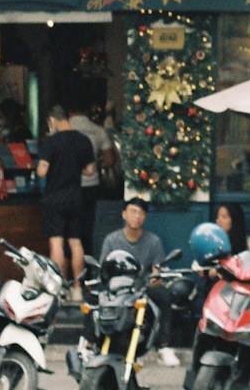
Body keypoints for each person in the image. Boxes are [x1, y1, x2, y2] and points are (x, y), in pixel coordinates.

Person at [101, 197, 176, 366]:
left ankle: (163, 346)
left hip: (143, 288)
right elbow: (104, 268)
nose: (137, 216)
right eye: (133, 212)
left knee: (164, 295)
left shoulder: (153, 241)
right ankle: (91, 345)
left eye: (141, 213)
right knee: (93, 297)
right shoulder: (112, 240)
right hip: (117, 289)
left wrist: (155, 278)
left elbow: (157, 268)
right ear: (124, 214)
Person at [35, 105, 91, 280]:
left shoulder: (51, 142)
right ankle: (77, 289)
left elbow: (42, 171)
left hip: (54, 198)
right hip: (76, 197)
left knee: (57, 243)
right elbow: (90, 170)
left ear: (52, 120)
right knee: (76, 243)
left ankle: (59, 287)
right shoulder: (83, 140)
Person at [69, 98, 113, 292]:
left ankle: (69, 279)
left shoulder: (63, 129)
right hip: (91, 186)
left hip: (68, 186)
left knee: (69, 232)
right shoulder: (98, 130)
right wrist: (96, 165)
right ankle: (86, 275)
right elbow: (110, 159)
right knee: (86, 231)